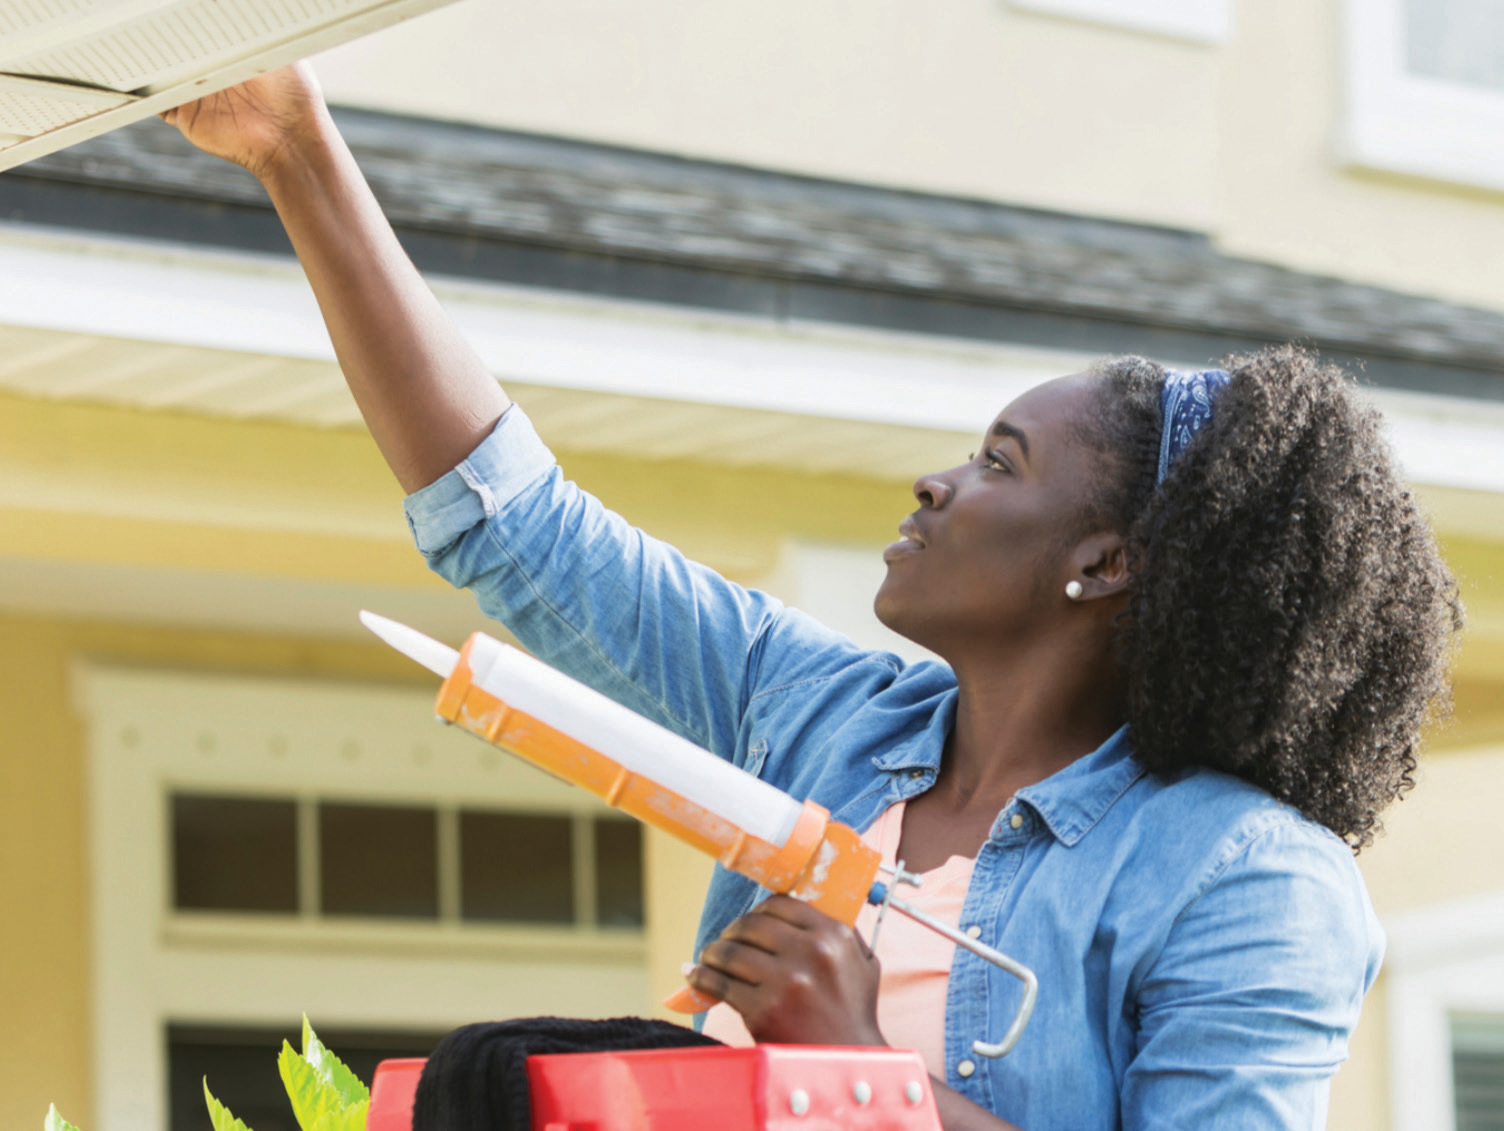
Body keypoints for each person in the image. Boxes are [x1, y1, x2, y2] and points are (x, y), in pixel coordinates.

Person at [164, 64, 1462, 1130]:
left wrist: (859, 1080)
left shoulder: (1245, 877)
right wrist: (293, 147)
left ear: (1106, 564)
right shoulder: (823, 719)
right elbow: (519, 527)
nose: (937, 481)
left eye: (997, 462)